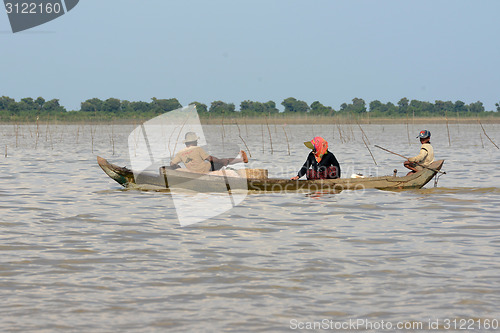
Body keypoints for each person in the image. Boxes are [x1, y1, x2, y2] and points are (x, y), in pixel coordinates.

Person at [170, 132, 248, 172]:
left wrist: (177, 167)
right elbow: (209, 158)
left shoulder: (180, 153)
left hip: (194, 171)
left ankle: (240, 160)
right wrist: (219, 160)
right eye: (196, 141)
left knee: (220, 161)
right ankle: (242, 160)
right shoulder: (197, 148)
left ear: (186, 142)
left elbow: (172, 164)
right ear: (195, 141)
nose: (197, 142)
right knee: (223, 161)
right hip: (207, 169)